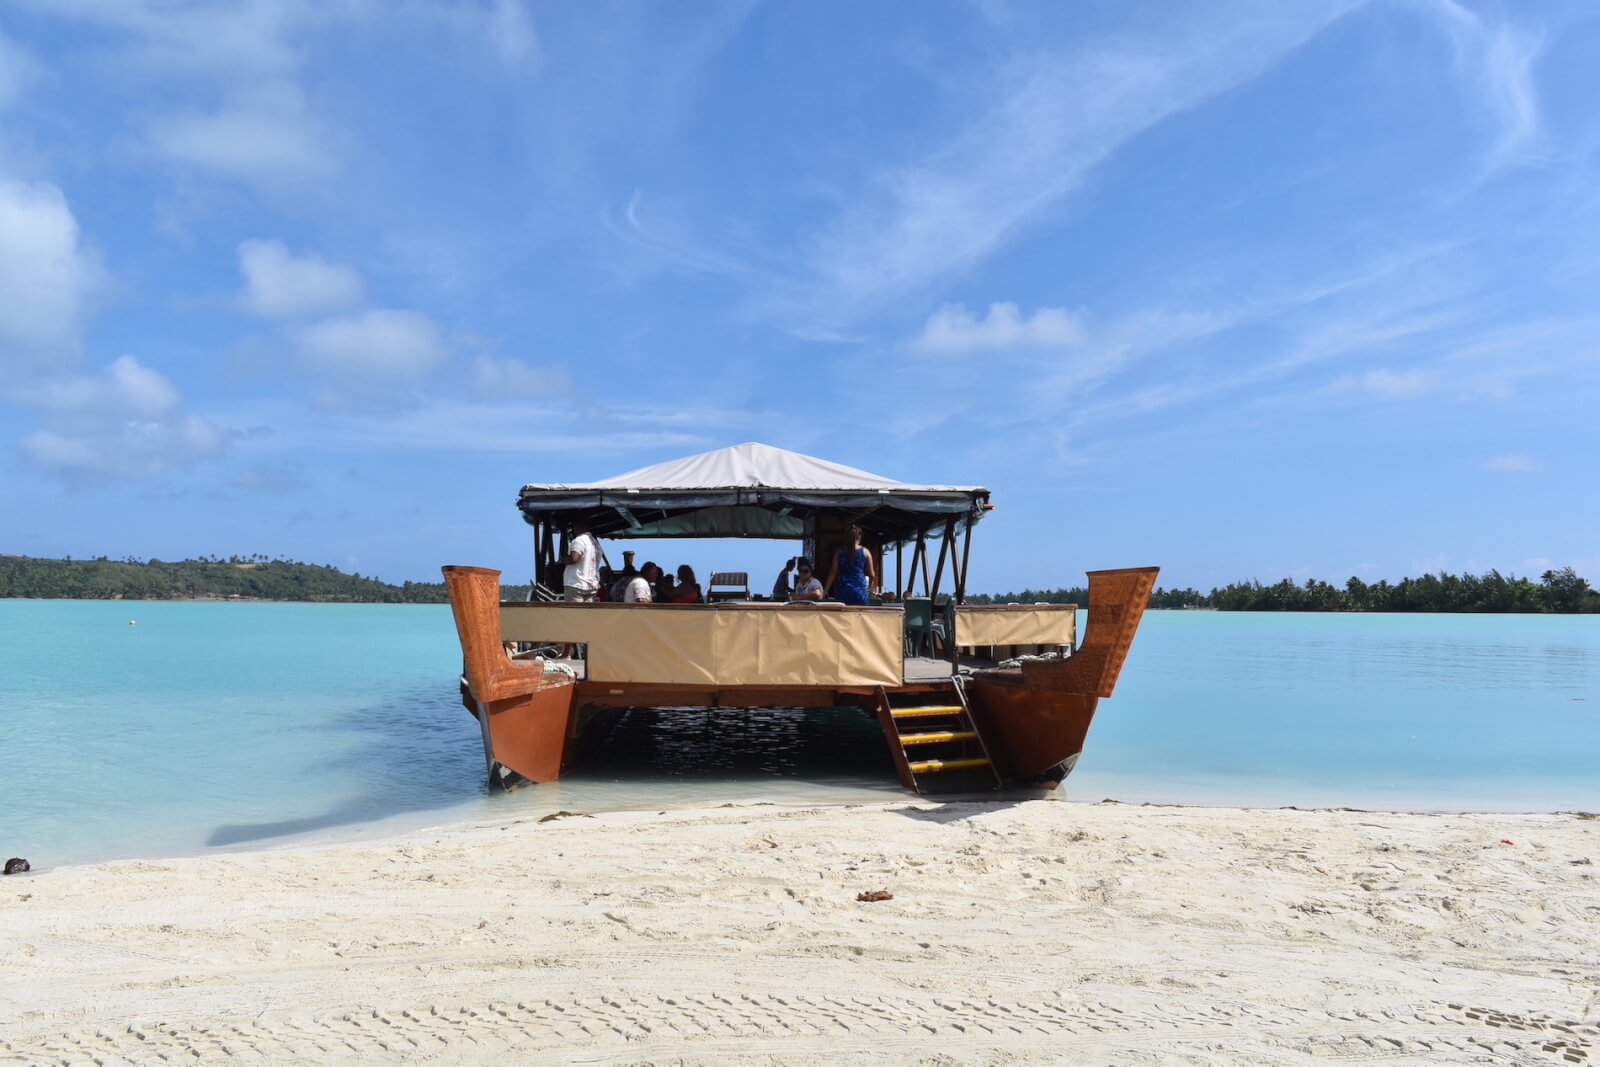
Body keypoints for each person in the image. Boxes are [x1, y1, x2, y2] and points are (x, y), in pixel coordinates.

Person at [826, 524, 875, 606]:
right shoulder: (866, 552)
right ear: (859, 537)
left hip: (843, 591)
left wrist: (825, 590)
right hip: (860, 592)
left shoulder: (839, 552)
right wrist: (870, 588)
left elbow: (833, 573)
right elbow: (872, 575)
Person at [563, 521, 601, 602]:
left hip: (576, 584)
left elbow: (574, 558)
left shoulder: (579, 540)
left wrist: (563, 560)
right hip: (591, 585)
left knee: (575, 613)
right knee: (587, 613)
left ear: (578, 527)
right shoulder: (595, 543)